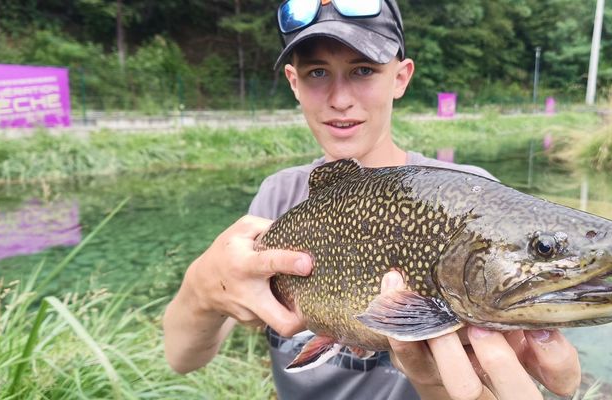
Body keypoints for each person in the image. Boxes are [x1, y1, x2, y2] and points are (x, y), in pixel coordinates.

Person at [163, 1, 581, 399]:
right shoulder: (277, 198)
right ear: (293, 82)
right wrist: (202, 288)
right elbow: (182, 359)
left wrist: (440, 387)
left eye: (362, 70)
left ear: (400, 77)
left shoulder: (471, 200)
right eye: (317, 73)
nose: (340, 98)